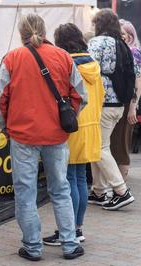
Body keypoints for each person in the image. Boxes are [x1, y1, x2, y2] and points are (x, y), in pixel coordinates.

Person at [0, 14, 88, 261]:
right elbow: (80, 94)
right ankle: (69, 243)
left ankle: (33, 247)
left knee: (26, 192)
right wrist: (68, 118)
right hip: (56, 135)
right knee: (60, 188)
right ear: (45, 31)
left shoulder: (12, 58)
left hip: (23, 135)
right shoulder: (63, 56)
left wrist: (5, 126)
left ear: (21, 33)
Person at [43, 23, 104, 247]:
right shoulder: (93, 64)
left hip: (72, 127)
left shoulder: (68, 65)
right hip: (91, 128)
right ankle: (77, 228)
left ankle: (67, 230)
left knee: (68, 181)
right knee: (79, 180)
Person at [87, 9, 136, 211]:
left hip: (102, 104)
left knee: (99, 149)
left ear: (100, 24)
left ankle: (121, 191)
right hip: (118, 106)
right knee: (101, 146)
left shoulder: (96, 43)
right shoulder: (122, 44)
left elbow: (88, 70)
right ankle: (99, 192)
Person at [110, 19, 141, 179]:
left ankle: (121, 185)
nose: (120, 37)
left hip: (127, 104)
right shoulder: (124, 50)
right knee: (116, 143)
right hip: (122, 103)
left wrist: (132, 107)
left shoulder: (133, 53)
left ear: (130, 36)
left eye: (123, 34)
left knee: (122, 144)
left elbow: (138, 81)